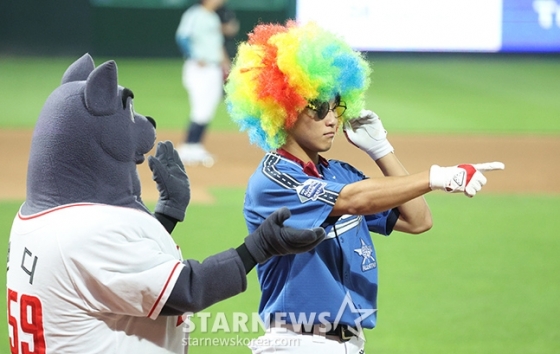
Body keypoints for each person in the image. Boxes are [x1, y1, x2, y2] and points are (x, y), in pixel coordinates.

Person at [6, 53, 326, 354]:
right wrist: (259, 247)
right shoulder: (85, 234)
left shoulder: (40, 220)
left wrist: (168, 214)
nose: (143, 120)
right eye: (128, 114)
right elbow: (185, 290)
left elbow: (115, 275)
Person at [224, 21, 505, 353]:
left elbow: (418, 220)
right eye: (318, 106)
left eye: (336, 106)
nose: (332, 118)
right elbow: (353, 201)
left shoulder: (340, 173)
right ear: (283, 107)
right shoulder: (274, 178)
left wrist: (381, 150)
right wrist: (433, 177)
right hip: (297, 343)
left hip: (350, 343)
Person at [175, 0, 230, 167]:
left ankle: (195, 145)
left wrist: (226, 64)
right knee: (200, 108)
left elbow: (217, 44)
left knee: (209, 107)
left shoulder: (212, 17)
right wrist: (194, 56)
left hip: (214, 68)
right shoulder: (194, 14)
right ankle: (186, 147)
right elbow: (182, 37)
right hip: (199, 69)